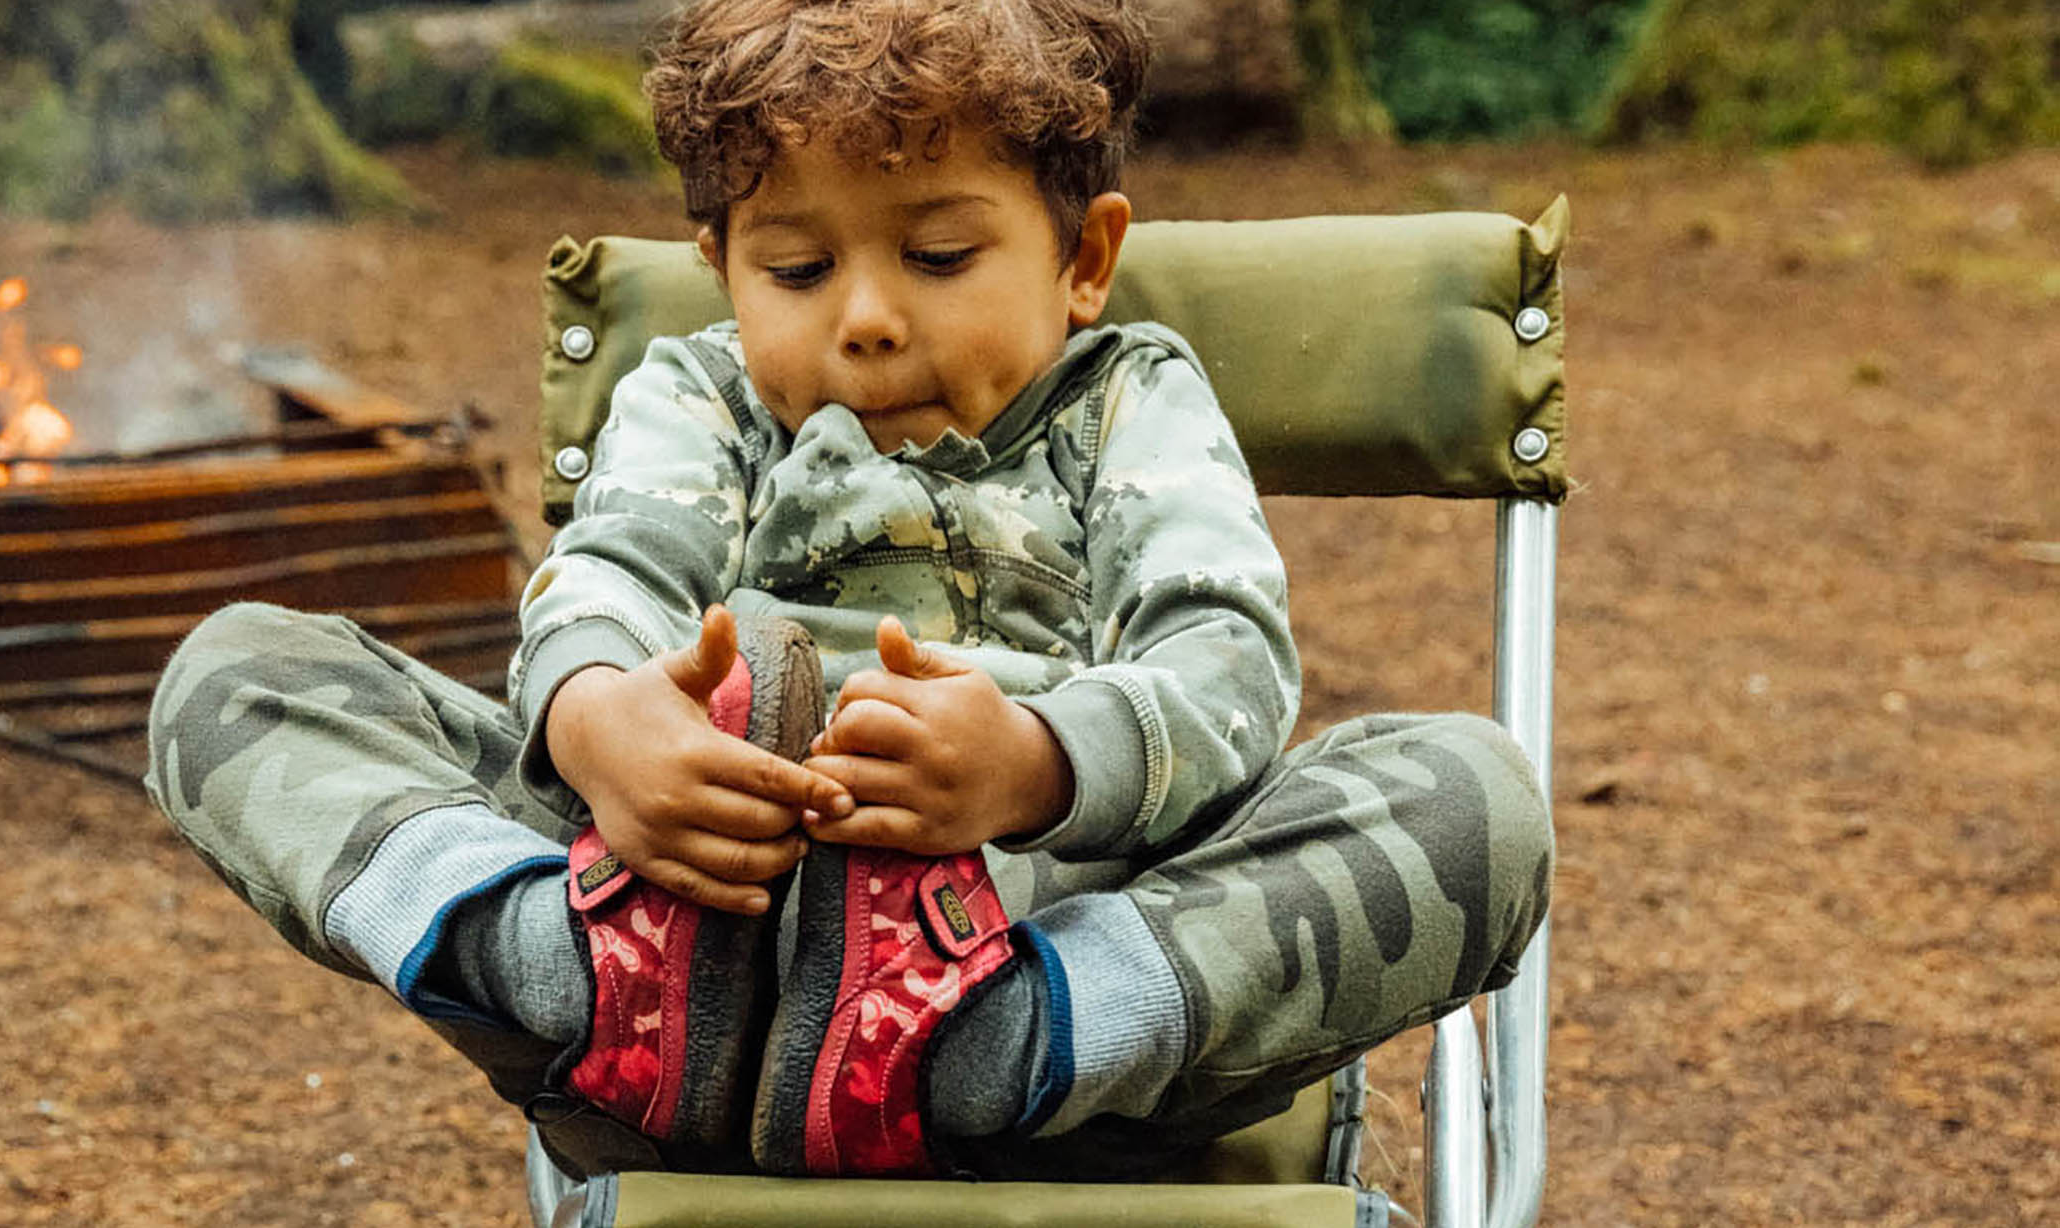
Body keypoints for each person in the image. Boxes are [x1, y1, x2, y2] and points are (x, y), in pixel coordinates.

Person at [146, 0, 1552, 1183]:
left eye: (938, 256)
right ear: (719, 270)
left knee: (1473, 797)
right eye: (798, 268)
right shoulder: (700, 393)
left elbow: (1220, 664)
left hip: (1028, 915)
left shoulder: (1125, 399)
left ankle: (1004, 1043)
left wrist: (1035, 763)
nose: (867, 313)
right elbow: (613, 575)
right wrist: (599, 726)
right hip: (664, 896)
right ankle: (553, 966)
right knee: (239, 670)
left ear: (1083, 258)